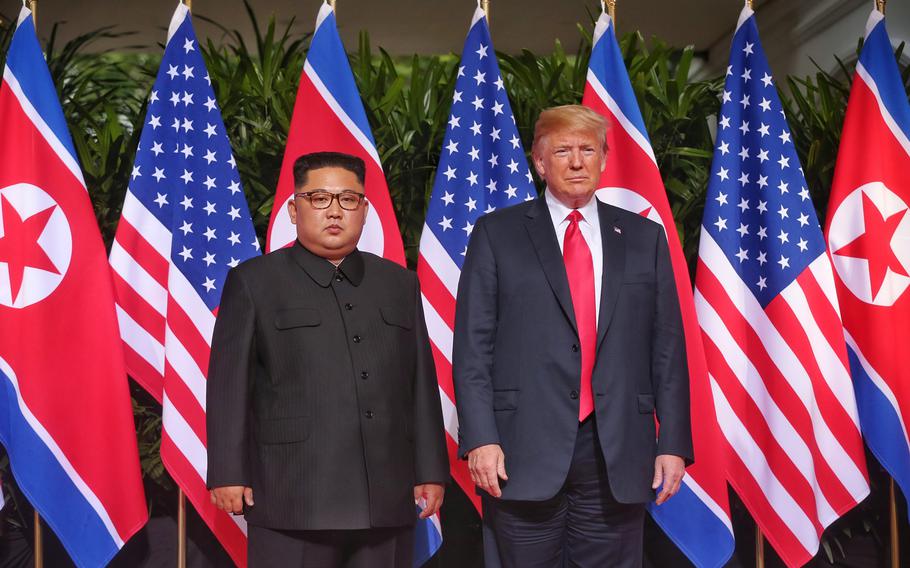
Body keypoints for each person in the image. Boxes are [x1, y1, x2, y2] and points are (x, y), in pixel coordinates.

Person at [452, 105, 692, 567]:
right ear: (540, 163)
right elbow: (472, 349)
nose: (577, 162)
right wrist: (480, 437)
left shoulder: (645, 237)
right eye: (562, 151)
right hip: (519, 449)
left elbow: (667, 349)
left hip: (617, 449)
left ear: (604, 158)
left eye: (587, 150)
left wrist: (674, 442)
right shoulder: (496, 234)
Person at [206, 151, 448, 568]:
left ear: (366, 210)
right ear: (293, 209)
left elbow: (420, 385)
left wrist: (431, 469)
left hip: (384, 495)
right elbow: (229, 386)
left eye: (348, 199)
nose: (334, 211)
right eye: (319, 198)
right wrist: (228, 471)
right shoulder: (254, 281)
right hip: (293, 494)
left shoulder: (398, 284)